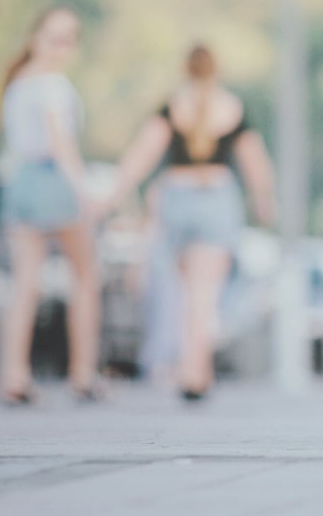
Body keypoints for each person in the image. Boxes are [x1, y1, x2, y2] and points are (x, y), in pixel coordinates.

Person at [101, 45, 275, 399]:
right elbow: (256, 163)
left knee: (181, 294)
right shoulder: (232, 107)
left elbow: (141, 156)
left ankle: (188, 370)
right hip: (217, 199)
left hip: (176, 198)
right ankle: (197, 372)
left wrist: (112, 195)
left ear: (186, 69)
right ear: (216, 70)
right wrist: (264, 202)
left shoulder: (172, 107)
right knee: (203, 295)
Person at [0, 6, 101, 404]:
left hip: (21, 180)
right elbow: (62, 143)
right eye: (56, 37)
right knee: (84, 276)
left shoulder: (17, 83)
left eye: (69, 38)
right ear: (35, 36)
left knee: (25, 282)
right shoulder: (53, 85)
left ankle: (13, 375)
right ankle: (83, 373)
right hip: (53, 180)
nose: (62, 47)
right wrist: (84, 190)